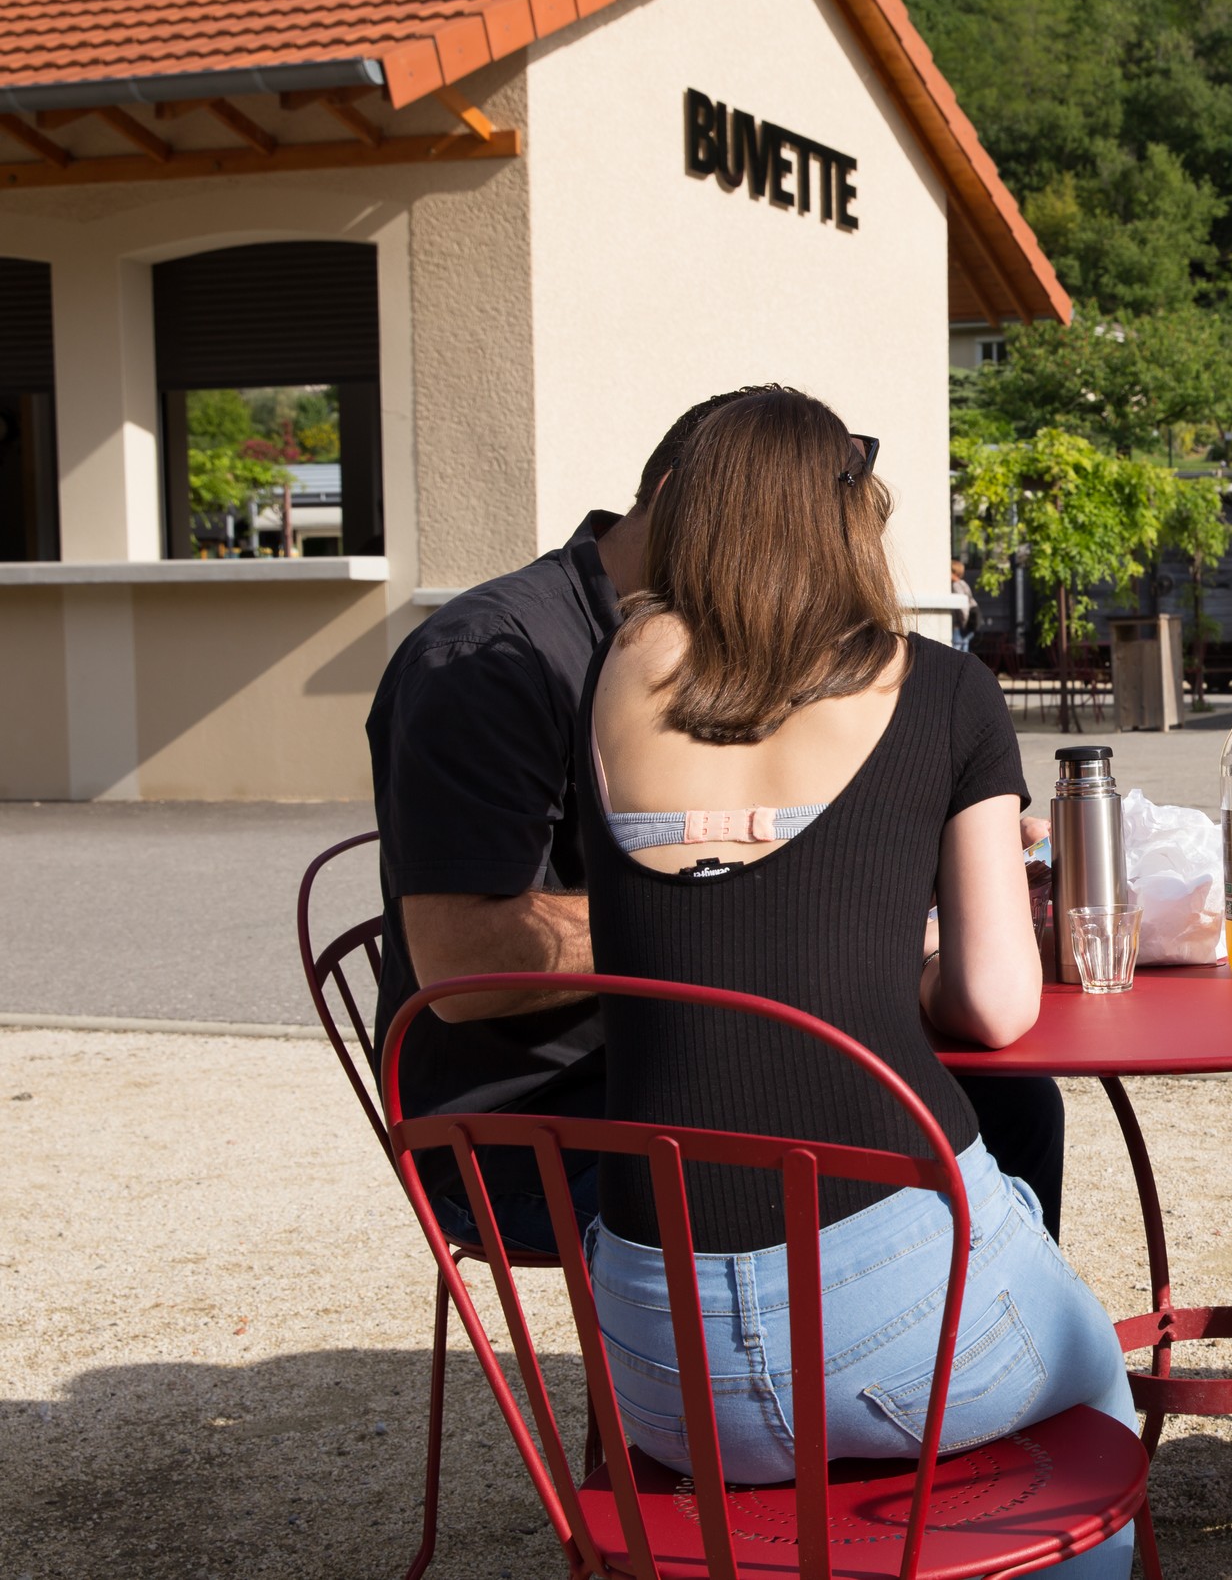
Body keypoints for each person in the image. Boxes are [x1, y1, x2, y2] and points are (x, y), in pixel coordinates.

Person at [574, 388, 1132, 1562]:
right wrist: (897, 976)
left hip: (654, 1353)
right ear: (849, 524)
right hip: (888, 1310)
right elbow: (995, 998)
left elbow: (737, 911)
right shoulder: (942, 688)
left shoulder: (615, 671)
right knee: (1097, 1393)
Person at [368, 392, 1066, 1256]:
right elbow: (458, 954)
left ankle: (931, 1365)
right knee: (881, 1131)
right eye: (768, 522)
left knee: (1014, 1099)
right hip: (527, 1125)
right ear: (681, 497)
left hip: (679, 1063)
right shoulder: (489, 657)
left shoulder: (714, 648)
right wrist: (804, 903)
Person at [949, 558, 982, 654]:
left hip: (962, 624)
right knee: (964, 649)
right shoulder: (963, 584)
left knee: (956, 651)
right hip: (970, 622)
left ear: (954, 572)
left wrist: (964, 623)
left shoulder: (956, 585)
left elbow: (962, 606)